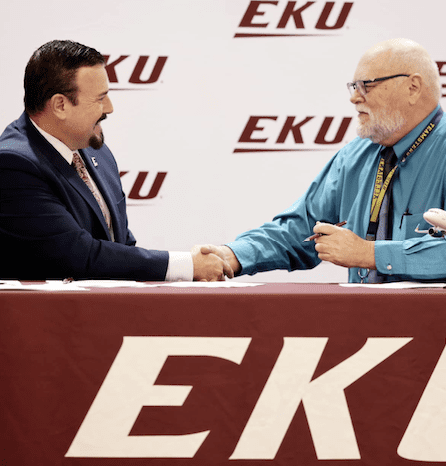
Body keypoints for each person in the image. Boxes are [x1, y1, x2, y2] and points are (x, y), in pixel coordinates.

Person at [199, 38, 446, 283]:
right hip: (366, 318)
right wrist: (231, 255)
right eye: (354, 87)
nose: (355, 98)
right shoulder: (356, 155)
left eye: (366, 86)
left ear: (413, 88)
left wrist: (369, 253)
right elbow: (300, 230)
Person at [0, 40, 233, 281]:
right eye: (100, 98)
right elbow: (77, 255)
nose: (109, 108)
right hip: (46, 317)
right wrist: (187, 266)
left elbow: (120, 244)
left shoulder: (97, 151)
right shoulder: (12, 164)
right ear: (60, 105)